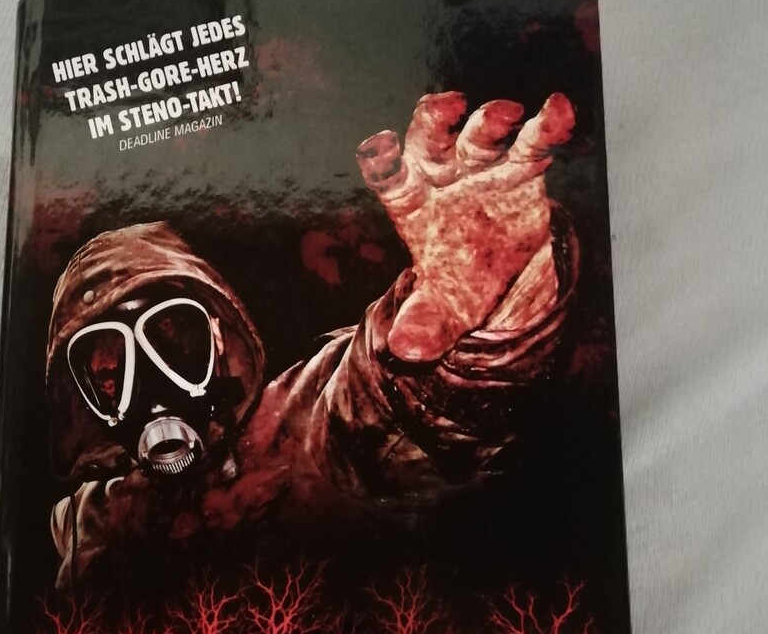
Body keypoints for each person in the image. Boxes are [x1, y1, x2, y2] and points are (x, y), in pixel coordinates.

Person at [46, 91, 579, 588]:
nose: (151, 387)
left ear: (219, 339)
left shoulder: (292, 435)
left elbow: (382, 411)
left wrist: (489, 329)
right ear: (86, 400)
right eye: (111, 372)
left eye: (172, 343)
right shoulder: (88, 526)